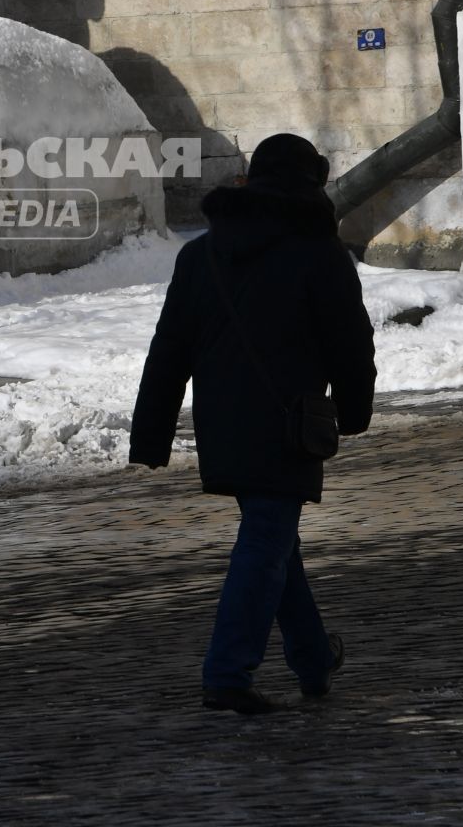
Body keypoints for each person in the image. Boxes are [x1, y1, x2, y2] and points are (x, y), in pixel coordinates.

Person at [129, 132, 376, 715]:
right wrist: (355, 410)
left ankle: (314, 659)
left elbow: (168, 352)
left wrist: (151, 433)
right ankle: (227, 672)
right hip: (288, 425)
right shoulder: (320, 253)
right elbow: (350, 342)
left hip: (222, 426)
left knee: (274, 540)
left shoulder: (200, 254)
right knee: (265, 540)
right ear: (309, 185)